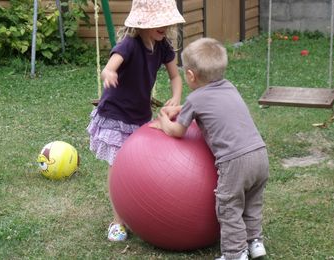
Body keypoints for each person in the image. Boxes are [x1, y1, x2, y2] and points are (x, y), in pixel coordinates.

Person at [150, 38, 269, 260]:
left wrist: (164, 122)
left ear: (191, 76)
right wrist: (182, 108)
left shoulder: (196, 98)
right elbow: (211, 105)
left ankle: (235, 253)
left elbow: (177, 131)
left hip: (234, 161)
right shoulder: (229, 86)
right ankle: (255, 242)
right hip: (259, 154)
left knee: (229, 206)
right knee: (252, 202)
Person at [86, 0, 185, 242]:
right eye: (158, 21)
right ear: (142, 23)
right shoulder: (129, 44)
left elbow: (175, 77)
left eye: (166, 21)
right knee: (119, 165)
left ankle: (138, 207)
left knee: (139, 163)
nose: (164, 26)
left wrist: (175, 97)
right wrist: (108, 72)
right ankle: (117, 221)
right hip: (116, 115)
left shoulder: (163, 46)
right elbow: (111, 66)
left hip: (140, 116)